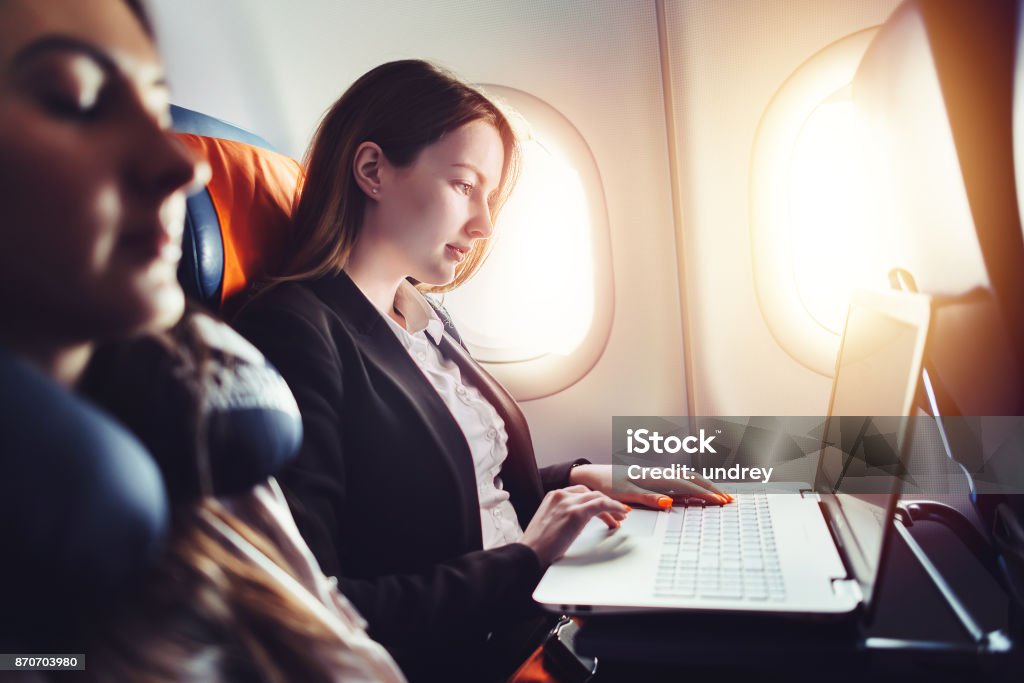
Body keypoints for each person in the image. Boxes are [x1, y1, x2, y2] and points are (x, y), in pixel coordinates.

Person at [234, 59, 730, 681]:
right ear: (371, 170)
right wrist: (526, 559)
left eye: (489, 197)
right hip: (471, 653)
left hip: (529, 614)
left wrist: (583, 477)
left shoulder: (422, 318)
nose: (484, 225)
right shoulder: (295, 332)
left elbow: (459, 490)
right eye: (465, 187)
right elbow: (318, 602)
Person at [0, 1, 405, 680]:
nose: (185, 167)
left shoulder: (197, 411)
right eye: (80, 100)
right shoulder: (301, 329)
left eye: (157, 110)